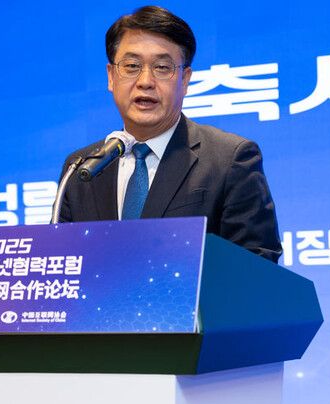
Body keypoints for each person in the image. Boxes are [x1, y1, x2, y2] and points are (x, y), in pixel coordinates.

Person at [56, 5, 282, 263]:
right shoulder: (81, 169)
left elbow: (256, 267)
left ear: (185, 80)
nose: (145, 81)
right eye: (131, 65)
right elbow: (62, 266)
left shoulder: (229, 160)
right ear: (111, 77)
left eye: (162, 67)